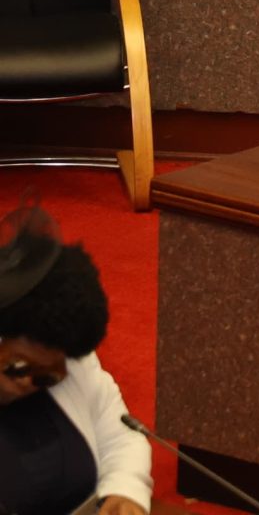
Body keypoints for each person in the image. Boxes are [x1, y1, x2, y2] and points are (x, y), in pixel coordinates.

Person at [0, 204, 152, 515]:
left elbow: (121, 436)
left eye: (49, 376)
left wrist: (125, 491)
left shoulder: (69, 355)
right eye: (17, 367)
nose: (30, 383)